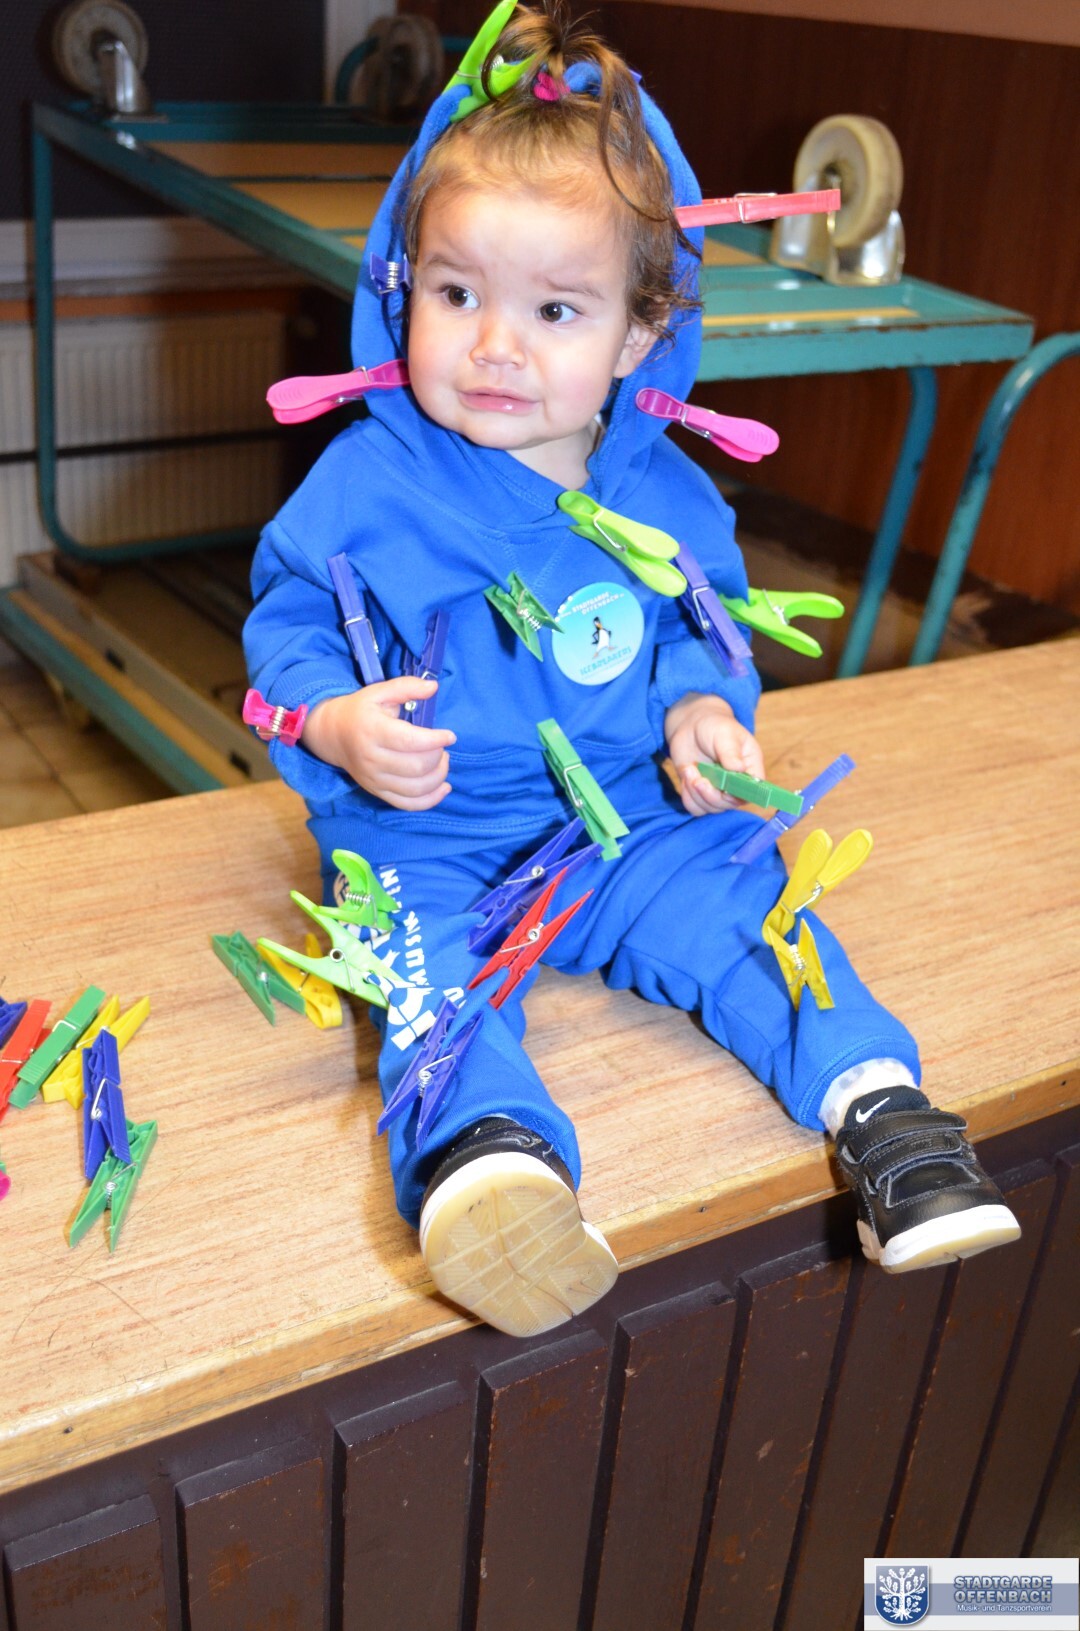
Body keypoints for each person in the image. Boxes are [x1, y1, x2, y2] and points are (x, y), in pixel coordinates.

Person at [244, 1, 1020, 1337]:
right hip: (429, 833)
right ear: (399, 286)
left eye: (555, 309)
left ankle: (882, 1110)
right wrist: (330, 720)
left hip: (631, 821)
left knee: (748, 914)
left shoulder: (664, 492)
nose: (496, 345)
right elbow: (287, 628)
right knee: (412, 968)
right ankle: (490, 1161)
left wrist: (703, 707)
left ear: (642, 332)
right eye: (456, 295)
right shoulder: (362, 482)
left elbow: (696, 629)